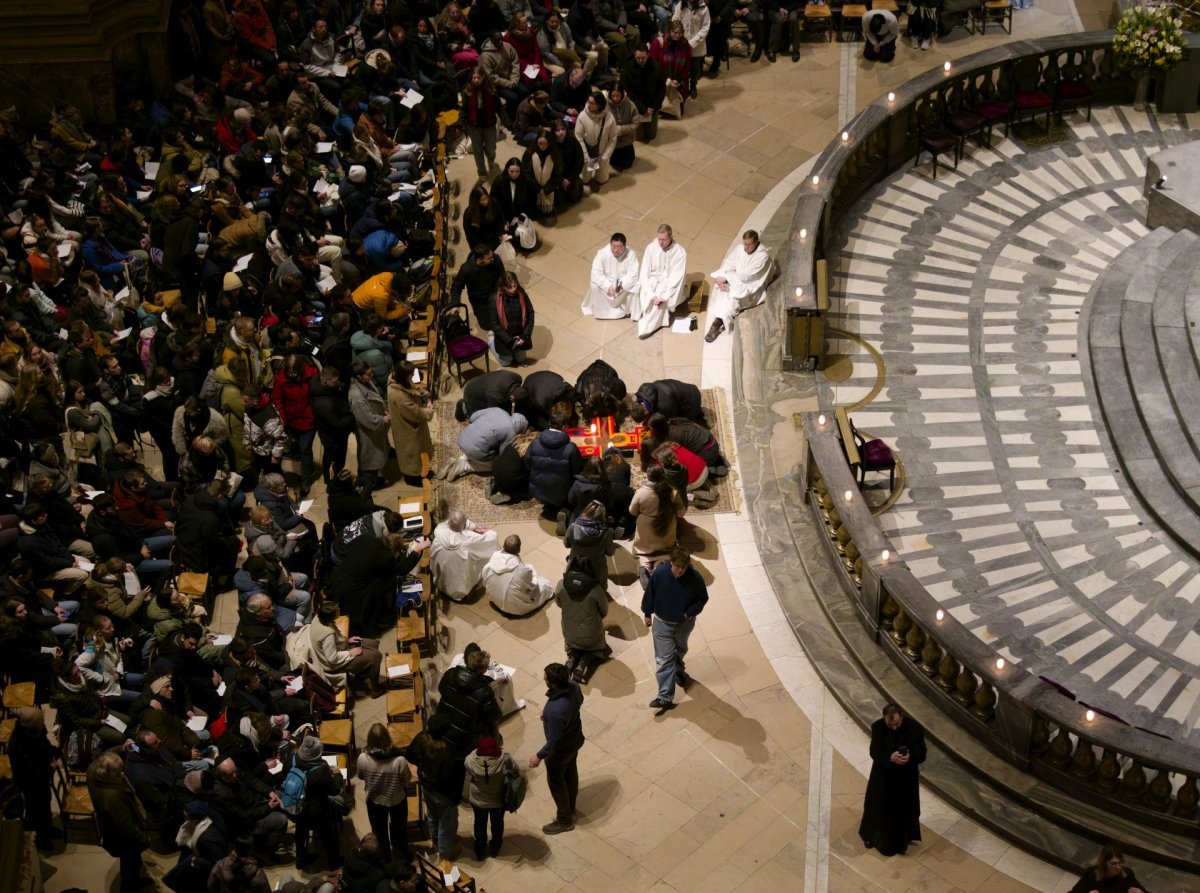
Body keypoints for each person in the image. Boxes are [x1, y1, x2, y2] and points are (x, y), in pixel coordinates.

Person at [641, 545, 708, 709]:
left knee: (680, 649)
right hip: (662, 623)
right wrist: (647, 613)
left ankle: (678, 670)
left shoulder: (695, 578)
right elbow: (650, 592)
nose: (679, 570)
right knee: (664, 660)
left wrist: (688, 613)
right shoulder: (659, 573)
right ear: (671, 563)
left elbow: (702, 599)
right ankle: (664, 696)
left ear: (687, 565)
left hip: (683, 624)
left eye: (683, 567)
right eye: (676, 566)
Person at [858, 703, 927, 856]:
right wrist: (889, 757)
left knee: (903, 810)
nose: (894, 728)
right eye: (890, 725)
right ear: (884, 719)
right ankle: (873, 837)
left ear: (901, 716)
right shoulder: (878, 727)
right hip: (883, 778)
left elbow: (922, 753)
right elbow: (874, 751)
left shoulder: (914, 728)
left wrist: (910, 757)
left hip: (905, 779)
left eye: (896, 724)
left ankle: (902, 842)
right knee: (878, 808)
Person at [528, 662, 584, 834]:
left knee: (556, 782)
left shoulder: (555, 711)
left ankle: (564, 820)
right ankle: (571, 806)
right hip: (575, 739)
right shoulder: (574, 687)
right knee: (571, 771)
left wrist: (539, 756)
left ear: (552, 683)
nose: (543, 678)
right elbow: (579, 702)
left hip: (560, 750)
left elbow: (553, 741)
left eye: (545, 677)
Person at [88, 750, 150, 893]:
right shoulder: (113, 797)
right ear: (111, 775)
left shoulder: (93, 771)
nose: (123, 772)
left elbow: (101, 757)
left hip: (111, 829)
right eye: (120, 770)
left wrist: (123, 746)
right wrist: (144, 839)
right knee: (130, 865)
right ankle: (130, 887)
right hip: (123, 840)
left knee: (130, 863)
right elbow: (127, 827)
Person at [704, 229, 774, 342]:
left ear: (756, 242)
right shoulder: (740, 249)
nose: (746, 247)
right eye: (744, 244)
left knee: (733, 298)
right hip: (736, 280)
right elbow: (729, 264)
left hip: (751, 288)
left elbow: (746, 277)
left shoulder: (762, 256)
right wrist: (723, 277)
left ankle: (718, 323)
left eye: (749, 245)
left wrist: (727, 278)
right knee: (723, 290)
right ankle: (718, 320)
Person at [357, 723, 412, 863]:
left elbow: (361, 776)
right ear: (388, 738)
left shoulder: (363, 758)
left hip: (374, 800)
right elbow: (407, 780)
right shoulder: (399, 760)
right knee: (399, 831)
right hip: (396, 800)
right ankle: (400, 859)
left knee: (379, 832)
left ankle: (385, 859)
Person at [525, 408, 585, 533]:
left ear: (549, 423)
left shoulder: (535, 443)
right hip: (562, 493)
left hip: (538, 489)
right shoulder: (571, 448)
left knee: (551, 492)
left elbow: (527, 464)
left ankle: (550, 506)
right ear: (564, 426)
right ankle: (564, 511)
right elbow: (578, 471)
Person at [9, 707, 60, 851]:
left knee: (46, 802)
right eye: (41, 720)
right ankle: (41, 840)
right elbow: (29, 770)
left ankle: (48, 829)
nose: (44, 721)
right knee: (35, 810)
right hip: (29, 783)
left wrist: (53, 753)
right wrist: (50, 768)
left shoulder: (36, 728)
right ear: (31, 725)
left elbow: (44, 744)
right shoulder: (17, 743)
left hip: (41, 776)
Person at [309, 600, 384, 693]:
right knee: (376, 656)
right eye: (337, 610)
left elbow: (334, 639)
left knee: (372, 644)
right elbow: (332, 658)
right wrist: (349, 652)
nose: (340, 609)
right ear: (331, 616)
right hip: (334, 664)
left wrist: (346, 640)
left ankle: (362, 673)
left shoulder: (319, 616)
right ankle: (375, 689)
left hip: (339, 649)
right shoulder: (328, 635)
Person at [555, 554, 610, 682]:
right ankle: (584, 662)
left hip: (570, 632)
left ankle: (572, 658)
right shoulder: (595, 589)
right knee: (597, 647)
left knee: (573, 643)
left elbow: (558, 603)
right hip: (592, 634)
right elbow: (604, 610)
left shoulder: (561, 584)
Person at [464, 736, 518, 859]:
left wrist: (477, 751)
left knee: (479, 824)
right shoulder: (505, 760)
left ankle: (481, 849)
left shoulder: (470, 762)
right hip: (498, 801)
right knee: (497, 824)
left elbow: (470, 755)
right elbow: (516, 771)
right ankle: (495, 847)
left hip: (478, 801)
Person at [630, 465, 686, 579]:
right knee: (668, 552)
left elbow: (632, 511)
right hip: (666, 536)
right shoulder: (673, 492)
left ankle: (645, 566)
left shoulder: (641, 493)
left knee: (642, 552)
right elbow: (681, 513)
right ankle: (660, 565)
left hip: (645, 537)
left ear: (648, 477)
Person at [430, 510, 500, 601]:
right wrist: (487, 531)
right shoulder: (466, 541)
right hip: (459, 587)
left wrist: (474, 527)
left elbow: (451, 523)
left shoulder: (439, 529)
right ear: (463, 526)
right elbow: (491, 538)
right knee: (480, 557)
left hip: (440, 580)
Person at [634, 223, 688, 339]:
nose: (661, 242)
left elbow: (677, 277)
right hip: (653, 279)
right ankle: (646, 315)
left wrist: (665, 296)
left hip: (668, 283)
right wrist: (649, 293)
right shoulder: (651, 248)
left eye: (664, 239)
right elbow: (644, 272)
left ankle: (649, 327)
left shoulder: (679, 252)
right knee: (646, 288)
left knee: (661, 297)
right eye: (659, 239)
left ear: (671, 237)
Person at [387, 361, 435, 486]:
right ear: (405, 375)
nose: (413, 376)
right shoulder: (400, 396)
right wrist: (428, 412)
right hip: (408, 429)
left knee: (417, 454)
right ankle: (414, 479)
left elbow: (413, 389)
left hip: (407, 424)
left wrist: (426, 397)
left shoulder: (397, 381)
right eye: (411, 374)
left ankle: (419, 473)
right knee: (413, 456)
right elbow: (416, 414)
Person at [348, 361, 391, 494]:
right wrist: (382, 419)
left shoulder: (365, 382)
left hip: (376, 426)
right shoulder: (355, 395)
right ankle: (368, 484)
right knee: (370, 458)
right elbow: (365, 417)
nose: (371, 376)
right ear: (359, 377)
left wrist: (382, 410)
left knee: (376, 452)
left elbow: (374, 398)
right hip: (368, 430)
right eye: (368, 374)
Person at [483, 534, 554, 615]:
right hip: (512, 607)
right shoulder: (522, 570)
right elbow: (531, 586)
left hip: (494, 598)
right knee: (546, 585)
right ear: (519, 550)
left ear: (503, 546)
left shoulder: (494, 557)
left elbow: (485, 575)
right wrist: (533, 576)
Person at [583, 233, 640, 319]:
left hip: (622, 286)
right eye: (613, 246)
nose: (616, 250)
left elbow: (633, 275)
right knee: (594, 285)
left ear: (625, 246)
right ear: (610, 244)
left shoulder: (631, 255)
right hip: (607, 285)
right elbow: (596, 274)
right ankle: (601, 312)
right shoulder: (602, 254)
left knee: (636, 286)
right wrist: (608, 286)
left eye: (619, 247)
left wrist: (620, 286)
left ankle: (628, 310)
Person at [490, 271, 536, 367]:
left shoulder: (521, 293)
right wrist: (510, 341)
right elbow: (494, 324)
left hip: (519, 335)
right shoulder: (494, 299)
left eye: (514, 286)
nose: (513, 289)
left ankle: (515, 350)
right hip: (505, 337)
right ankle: (490, 340)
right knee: (505, 363)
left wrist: (525, 335)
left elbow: (530, 313)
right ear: (503, 287)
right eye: (509, 287)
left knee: (521, 359)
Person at [575, 92, 617, 192]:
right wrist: (585, 155)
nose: (589, 105)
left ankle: (600, 169)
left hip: (602, 154)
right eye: (588, 102)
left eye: (592, 103)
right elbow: (578, 137)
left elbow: (613, 139)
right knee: (585, 179)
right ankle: (588, 170)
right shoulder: (582, 116)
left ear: (599, 105)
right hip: (589, 154)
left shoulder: (609, 118)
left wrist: (605, 157)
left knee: (601, 180)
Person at [1068, 843, 1147, 893]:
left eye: (1120, 863)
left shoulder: (1127, 874)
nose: (1118, 867)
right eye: (1113, 864)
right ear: (1105, 862)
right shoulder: (1091, 874)